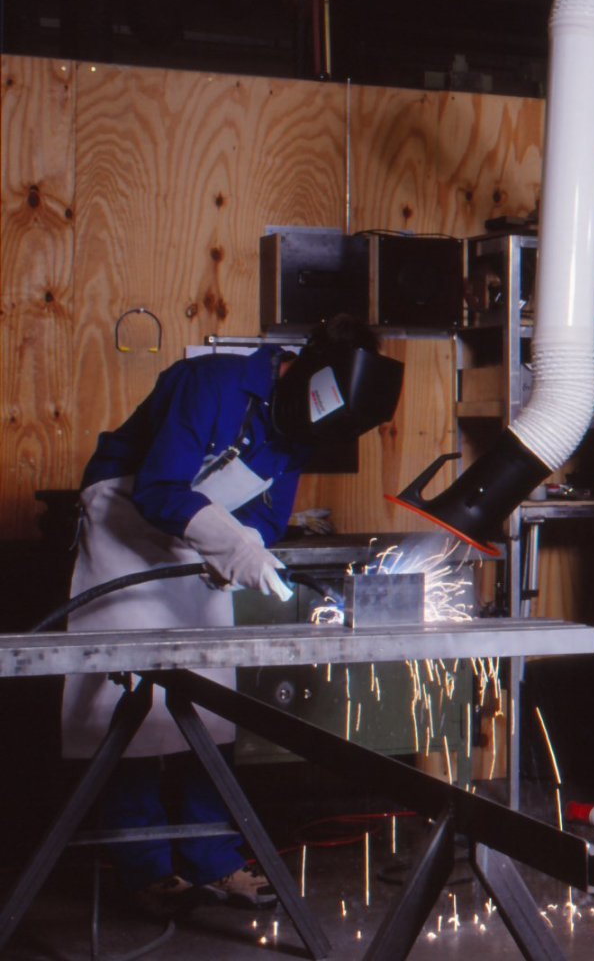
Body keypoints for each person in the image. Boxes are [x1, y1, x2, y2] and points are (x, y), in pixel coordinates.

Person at [60, 315, 403, 914]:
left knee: (212, 702)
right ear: (305, 365)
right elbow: (160, 489)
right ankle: (143, 867)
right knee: (130, 696)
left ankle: (212, 857)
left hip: (197, 545)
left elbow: (267, 522)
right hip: (124, 528)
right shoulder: (211, 380)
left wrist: (247, 553)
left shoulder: (297, 429)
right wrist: (235, 547)